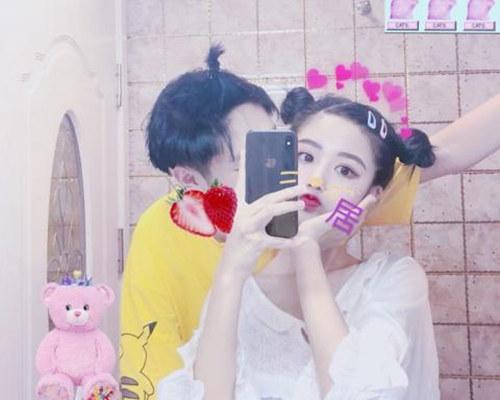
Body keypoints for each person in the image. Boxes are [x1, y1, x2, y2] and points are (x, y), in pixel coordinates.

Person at [120, 44, 500, 400]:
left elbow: (444, 153)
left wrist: (309, 248)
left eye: (281, 142)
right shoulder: (161, 238)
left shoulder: (331, 195)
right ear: (190, 180)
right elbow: (156, 376)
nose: (280, 165)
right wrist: (233, 268)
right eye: (255, 154)